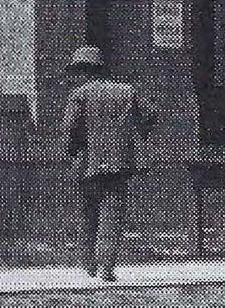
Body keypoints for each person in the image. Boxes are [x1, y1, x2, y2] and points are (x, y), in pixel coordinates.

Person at [61, 45, 155, 282]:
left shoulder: (79, 95)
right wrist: (136, 136)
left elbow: (69, 129)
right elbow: (150, 114)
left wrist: (71, 152)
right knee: (113, 214)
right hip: (119, 163)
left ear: (83, 71)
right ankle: (107, 267)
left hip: (87, 164)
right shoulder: (127, 91)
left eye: (77, 71)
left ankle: (89, 264)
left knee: (88, 213)